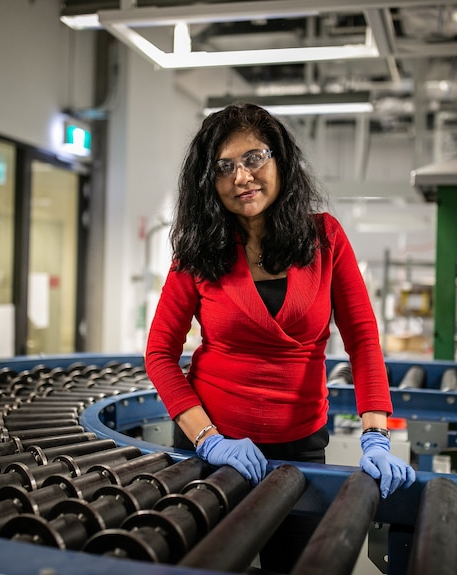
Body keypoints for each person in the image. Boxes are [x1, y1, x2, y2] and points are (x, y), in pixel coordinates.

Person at [145, 101, 415, 500]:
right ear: (209, 182)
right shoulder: (197, 252)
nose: (241, 176)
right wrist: (207, 439)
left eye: (254, 158)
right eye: (224, 167)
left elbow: (362, 338)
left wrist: (375, 434)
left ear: (280, 162)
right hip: (211, 447)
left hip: (300, 448)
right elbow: (159, 354)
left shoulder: (325, 237)